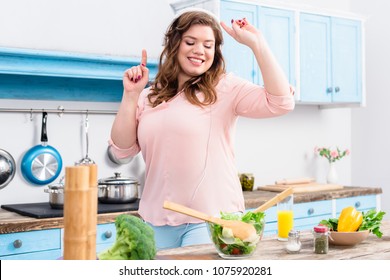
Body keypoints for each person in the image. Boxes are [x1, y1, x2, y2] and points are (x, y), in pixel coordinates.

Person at [108, 9, 295, 250]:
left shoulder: (225, 88)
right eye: (190, 42)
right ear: (175, 45)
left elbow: (281, 102)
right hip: (155, 222)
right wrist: (130, 95)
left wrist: (257, 44)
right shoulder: (148, 97)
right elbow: (122, 151)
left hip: (210, 222)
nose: (200, 50)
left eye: (209, 45)